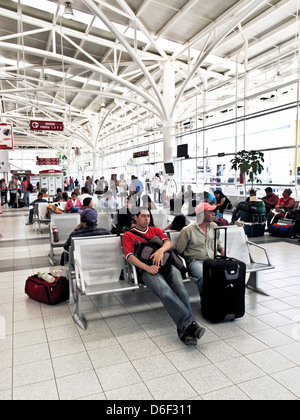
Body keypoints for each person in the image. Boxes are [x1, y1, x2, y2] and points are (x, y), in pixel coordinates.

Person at [122, 207, 205, 346]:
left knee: (181, 290)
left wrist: (160, 250)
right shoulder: (128, 235)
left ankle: (186, 329)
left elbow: (168, 242)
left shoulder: (156, 230)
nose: (146, 218)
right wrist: (147, 267)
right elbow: (129, 256)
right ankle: (190, 325)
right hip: (148, 270)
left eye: (148, 216)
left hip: (166, 265)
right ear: (135, 218)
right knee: (165, 292)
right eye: (143, 216)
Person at [176, 202, 225, 300]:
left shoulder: (214, 226)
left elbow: (218, 242)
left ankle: (221, 300)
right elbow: (179, 249)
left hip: (212, 260)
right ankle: (207, 303)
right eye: (210, 212)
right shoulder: (188, 230)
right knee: (203, 277)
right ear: (202, 214)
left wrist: (223, 253)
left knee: (224, 274)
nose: (214, 214)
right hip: (195, 260)